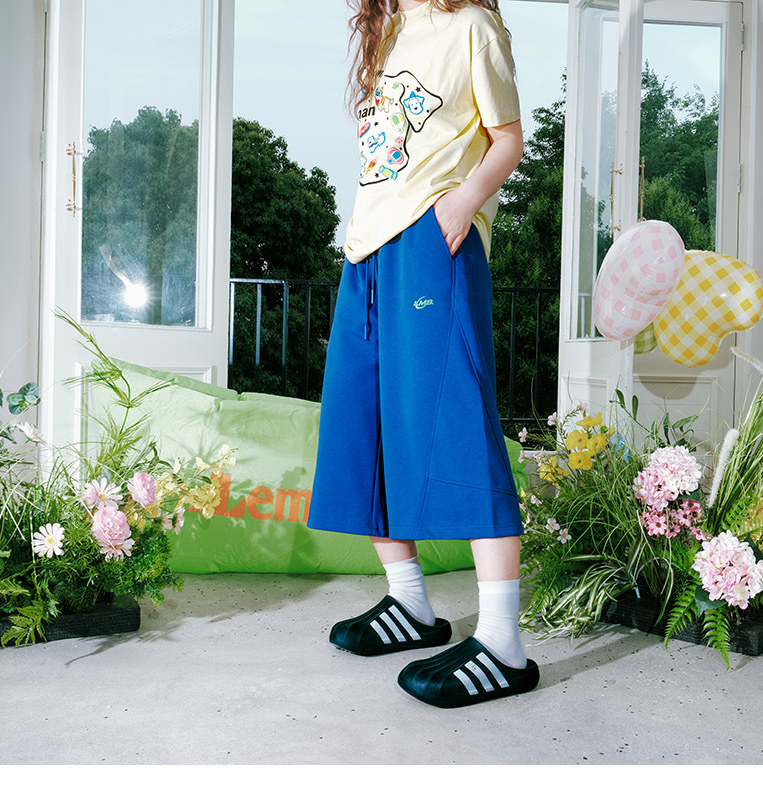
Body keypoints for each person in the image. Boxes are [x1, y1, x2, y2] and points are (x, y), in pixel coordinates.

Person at [306, 0, 535, 708]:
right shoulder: (387, 32)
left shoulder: (472, 26)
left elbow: (507, 137)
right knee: (365, 426)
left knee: (457, 425)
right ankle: (410, 603)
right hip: (367, 251)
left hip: (434, 242)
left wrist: (465, 201)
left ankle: (502, 642)